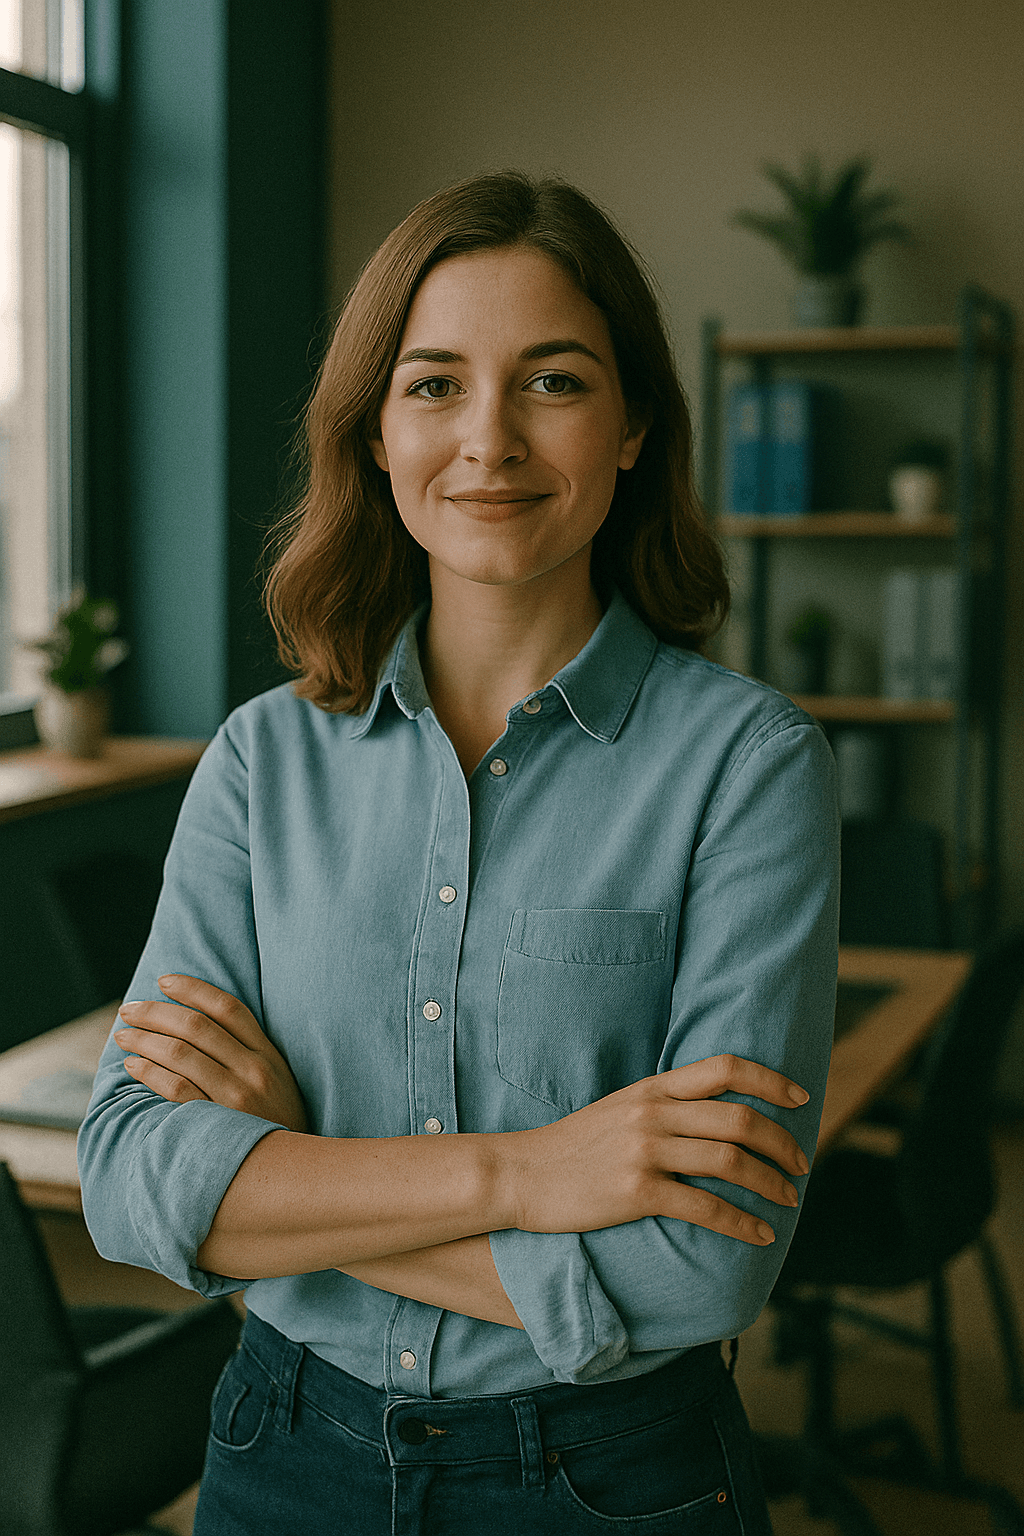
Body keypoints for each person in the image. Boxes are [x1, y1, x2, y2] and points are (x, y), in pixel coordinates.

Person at [78, 171, 839, 1535]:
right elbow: (132, 1182)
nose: (488, 439)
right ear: (373, 432)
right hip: (281, 1454)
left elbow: (702, 1268)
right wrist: (532, 1172)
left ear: (630, 429)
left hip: (611, 1483)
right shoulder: (263, 761)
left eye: (552, 381)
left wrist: (295, 1172)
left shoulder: (751, 766)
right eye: (433, 385)